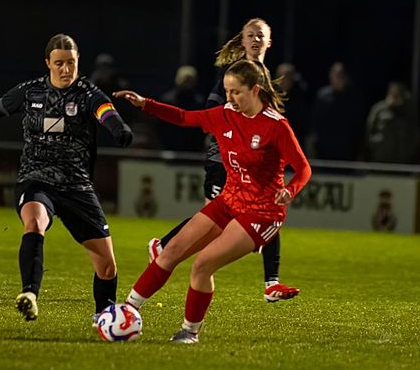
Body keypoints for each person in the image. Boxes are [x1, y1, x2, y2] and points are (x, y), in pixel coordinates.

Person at [114, 59, 312, 343]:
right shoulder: (224, 114)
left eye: (236, 92)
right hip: (229, 200)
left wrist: (290, 191)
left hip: (262, 212)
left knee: (202, 265)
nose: (229, 98)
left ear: (255, 90)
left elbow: (303, 168)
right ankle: (127, 310)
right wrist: (146, 104)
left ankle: (189, 332)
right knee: (169, 252)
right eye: (227, 91)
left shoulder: (276, 126)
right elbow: (183, 117)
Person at [0, 34, 133, 323]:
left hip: (76, 186)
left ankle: (104, 317)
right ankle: (30, 294)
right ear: (48, 63)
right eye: (59, 63)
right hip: (36, 178)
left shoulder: (88, 93)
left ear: (78, 62)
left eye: (71, 63)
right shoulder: (29, 92)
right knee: (35, 222)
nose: (66, 69)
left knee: (107, 266)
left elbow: (105, 112)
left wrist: (118, 128)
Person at [148, 18, 299, 304]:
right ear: (242, 41)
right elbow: (211, 111)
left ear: (269, 42)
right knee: (214, 216)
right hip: (224, 158)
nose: (255, 40)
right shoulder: (235, 73)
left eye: (260, 35)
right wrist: (235, 127)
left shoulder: (263, 74)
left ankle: (271, 282)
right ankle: (164, 246)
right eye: (250, 35)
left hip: (253, 160)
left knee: (265, 208)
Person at [309, 61, 365, 161]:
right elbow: (316, 122)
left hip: (347, 151)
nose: (338, 78)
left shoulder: (353, 98)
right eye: (336, 75)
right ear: (331, 76)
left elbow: (358, 124)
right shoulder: (323, 97)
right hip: (325, 150)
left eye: (341, 75)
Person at [365, 81, 419, 163]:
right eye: (393, 94)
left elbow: (414, 135)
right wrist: (377, 146)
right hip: (380, 159)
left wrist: (407, 153)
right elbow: (369, 132)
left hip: (402, 161)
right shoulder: (379, 110)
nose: (395, 98)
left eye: (398, 95)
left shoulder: (408, 112)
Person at [156, 65, 205, 152]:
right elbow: (160, 127)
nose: (187, 83)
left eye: (190, 80)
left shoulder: (199, 103)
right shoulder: (167, 101)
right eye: (185, 80)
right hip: (170, 147)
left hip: (192, 148)